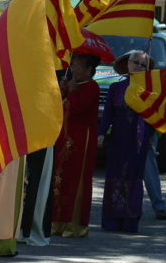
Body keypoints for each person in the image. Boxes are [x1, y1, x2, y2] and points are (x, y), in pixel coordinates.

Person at [98, 50, 153, 233]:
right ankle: (112, 219)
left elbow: (155, 116)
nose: (138, 66)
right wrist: (101, 133)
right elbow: (108, 115)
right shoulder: (116, 88)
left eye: (142, 64)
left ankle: (130, 219)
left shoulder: (150, 89)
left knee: (133, 178)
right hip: (118, 138)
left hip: (139, 140)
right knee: (115, 175)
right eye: (135, 62)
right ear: (127, 64)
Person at [51, 53, 101, 238]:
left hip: (82, 140)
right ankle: (57, 221)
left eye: (79, 66)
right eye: (73, 65)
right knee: (60, 177)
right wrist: (63, 90)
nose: (74, 69)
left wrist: (70, 91)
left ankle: (75, 224)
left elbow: (79, 107)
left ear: (89, 70)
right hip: (64, 138)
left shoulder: (92, 87)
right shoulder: (70, 84)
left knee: (76, 179)